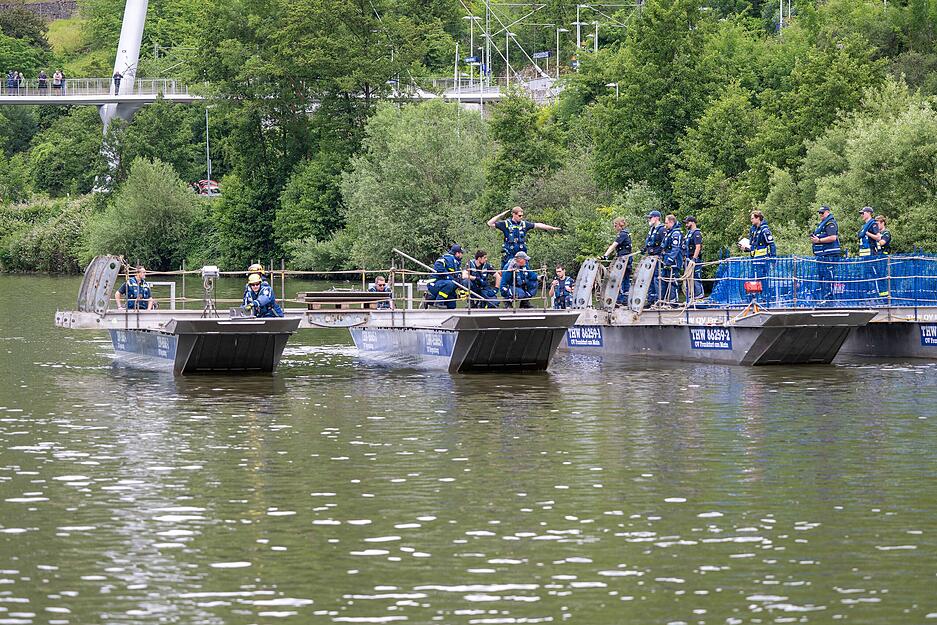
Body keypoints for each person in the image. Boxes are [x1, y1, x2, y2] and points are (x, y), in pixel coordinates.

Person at [486, 205, 560, 268]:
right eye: (519, 215)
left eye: (522, 215)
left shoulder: (524, 224)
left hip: (522, 256)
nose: (521, 217)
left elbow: (538, 225)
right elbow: (490, 223)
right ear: (514, 214)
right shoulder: (505, 224)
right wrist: (501, 215)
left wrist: (552, 228)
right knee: (506, 272)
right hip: (510, 256)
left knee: (526, 273)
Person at [811, 205, 842, 301]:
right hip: (822, 255)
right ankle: (824, 298)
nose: (820, 214)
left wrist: (819, 240)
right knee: (822, 277)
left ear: (828, 212)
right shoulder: (822, 223)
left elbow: (833, 237)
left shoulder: (830, 223)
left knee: (829, 277)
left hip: (829, 255)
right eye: (819, 213)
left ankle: (830, 298)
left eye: (822, 212)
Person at [601, 217, 633, 305]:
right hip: (624, 259)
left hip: (624, 260)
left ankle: (622, 299)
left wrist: (605, 255)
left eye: (615, 226)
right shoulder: (625, 233)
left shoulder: (622, 234)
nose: (614, 228)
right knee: (624, 279)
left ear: (619, 225)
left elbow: (613, 245)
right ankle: (623, 299)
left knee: (621, 279)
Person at [857, 206, 886, 299]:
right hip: (864, 255)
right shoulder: (864, 226)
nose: (862, 215)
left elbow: (878, 237)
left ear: (869, 213)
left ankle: (879, 296)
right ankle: (870, 294)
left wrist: (867, 233)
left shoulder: (873, 224)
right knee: (866, 275)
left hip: (871, 254)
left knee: (874, 274)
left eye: (863, 213)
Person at [427, 244, 465, 309]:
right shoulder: (447, 258)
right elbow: (438, 266)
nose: (462, 255)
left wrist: (461, 290)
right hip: (435, 283)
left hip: (445, 285)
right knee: (450, 283)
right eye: (461, 253)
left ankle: (429, 299)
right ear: (457, 253)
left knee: (452, 304)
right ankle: (439, 302)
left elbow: (458, 277)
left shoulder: (457, 263)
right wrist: (448, 276)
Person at [642, 210, 666, 306]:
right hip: (650, 257)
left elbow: (664, 243)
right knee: (650, 278)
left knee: (657, 278)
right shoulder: (652, 229)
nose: (649, 219)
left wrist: (661, 254)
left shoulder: (661, 229)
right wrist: (645, 248)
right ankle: (650, 300)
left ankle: (658, 299)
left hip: (657, 257)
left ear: (656, 218)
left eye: (650, 217)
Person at [660, 214, 684, 304]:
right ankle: (663, 300)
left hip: (674, 261)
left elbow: (675, 248)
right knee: (664, 280)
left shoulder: (676, 233)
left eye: (666, 223)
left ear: (671, 222)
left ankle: (674, 301)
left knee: (673, 280)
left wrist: (670, 260)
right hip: (666, 260)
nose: (665, 225)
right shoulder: (669, 232)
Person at [683, 216, 703, 299]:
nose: (686, 225)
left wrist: (694, 259)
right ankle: (690, 297)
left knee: (695, 277)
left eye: (688, 223)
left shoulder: (696, 233)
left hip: (694, 259)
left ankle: (699, 295)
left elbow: (698, 247)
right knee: (688, 278)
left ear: (692, 222)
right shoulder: (688, 233)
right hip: (688, 258)